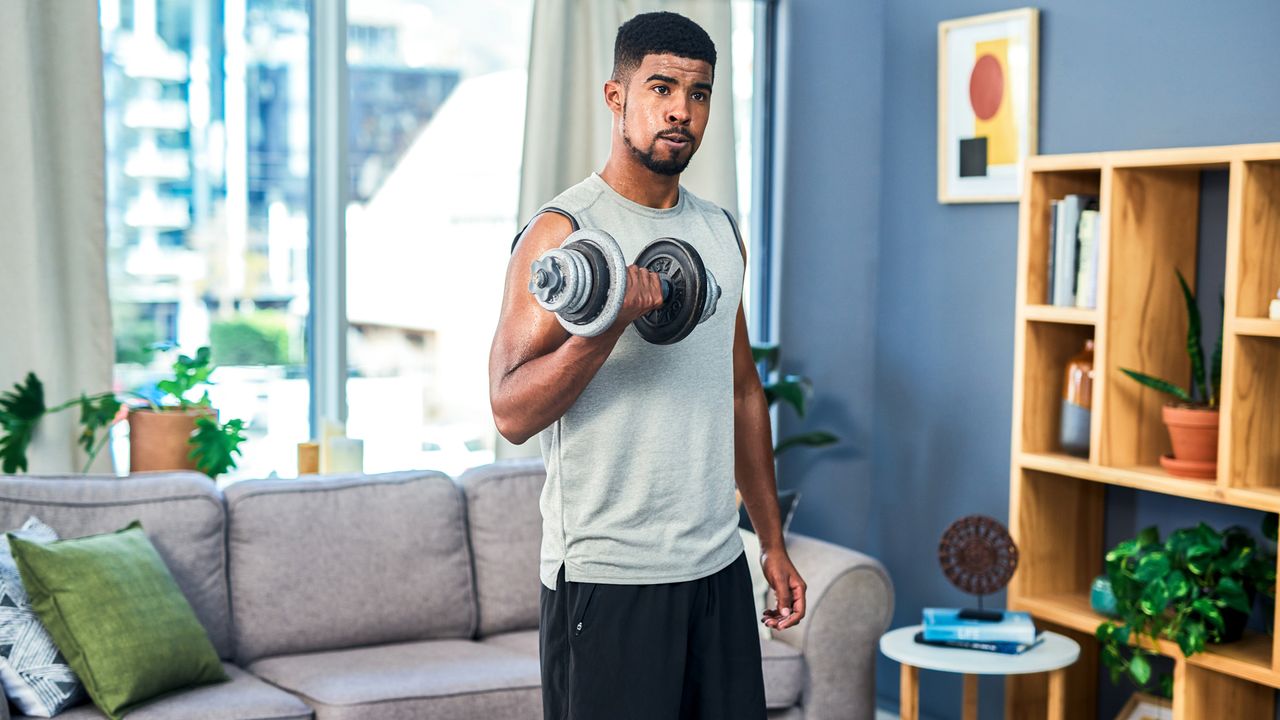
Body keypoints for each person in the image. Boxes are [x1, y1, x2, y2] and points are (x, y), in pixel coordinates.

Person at [488, 11, 806, 719]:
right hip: (609, 579)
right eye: (660, 87)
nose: (680, 111)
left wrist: (771, 543)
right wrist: (604, 329)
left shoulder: (720, 231)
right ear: (615, 96)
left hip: (716, 570)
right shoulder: (563, 232)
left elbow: (742, 392)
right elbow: (509, 411)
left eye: (698, 95)